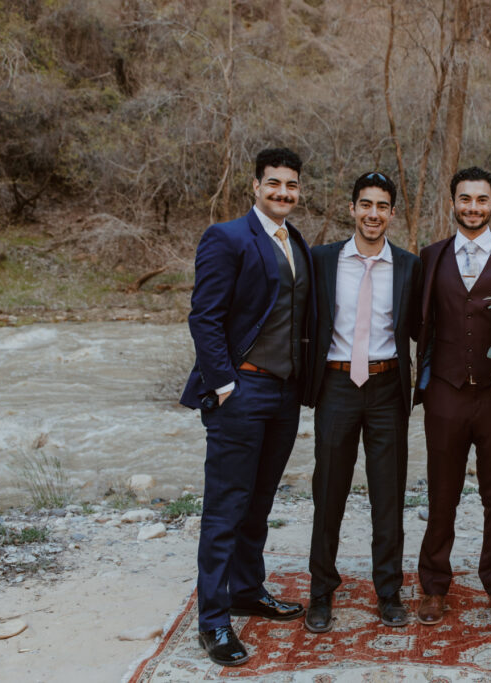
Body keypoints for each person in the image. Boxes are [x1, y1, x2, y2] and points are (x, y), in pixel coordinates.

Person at [181, 147, 316, 667]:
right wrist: (224, 385)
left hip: (284, 394)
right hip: (243, 390)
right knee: (225, 509)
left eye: (291, 186)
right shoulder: (227, 237)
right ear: (255, 186)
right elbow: (204, 317)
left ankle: (247, 590)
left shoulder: (296, 242)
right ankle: (213, 621)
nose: (283, 193)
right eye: (274, 184)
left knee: (259, 501)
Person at [414, 167, 491, 625]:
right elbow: (417, 322)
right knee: (442, 492)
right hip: (445, 393)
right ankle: (433, 586)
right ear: (453, 203)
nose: (472, 207)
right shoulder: (430, 258)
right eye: (464, 199)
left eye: (481, 200)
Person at [304, 171, 422, 632]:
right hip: (336, 385)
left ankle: (389, 592)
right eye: (365, 205)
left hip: (387, 386)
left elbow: (423, 329)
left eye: (382, 206)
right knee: (328, 491)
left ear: (392, 213)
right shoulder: (322, 261)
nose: (373, 214)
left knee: (388, 494)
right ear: (352, 208)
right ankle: (320, 593)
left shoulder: (410, 266)